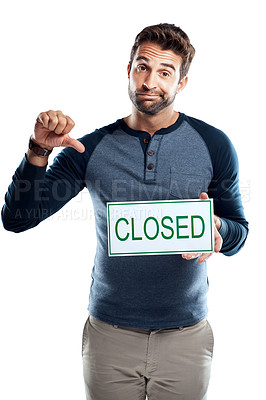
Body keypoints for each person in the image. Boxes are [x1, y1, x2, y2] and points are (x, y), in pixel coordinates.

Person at [1, 23, 248, 400]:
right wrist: (38, 151)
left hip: (186, 334)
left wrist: (218, 230)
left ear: (181, 83)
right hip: (108, 335)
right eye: (142, 67)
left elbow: (238, 232)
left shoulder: (213, 144)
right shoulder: (89, 149)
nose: (150, 81)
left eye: (165, 72)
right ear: (128, 69)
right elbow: (17, 219)